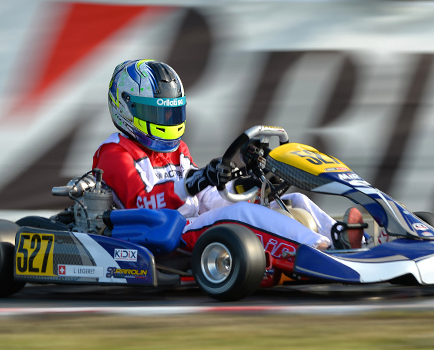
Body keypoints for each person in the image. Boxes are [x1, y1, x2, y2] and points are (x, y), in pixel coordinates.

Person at [92, 59, 363, 255]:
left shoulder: (177, 149)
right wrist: (193, 182)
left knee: (295, 200)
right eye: (156, 113)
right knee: (242, 213)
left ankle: (340, 237)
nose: (165, 122)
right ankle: (318, 250)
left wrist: (248, 183)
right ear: (125, 107)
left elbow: (207, 198)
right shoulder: (114, 153)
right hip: (168, 233)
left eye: (170, 114)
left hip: (195, 222)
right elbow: (142, 204)